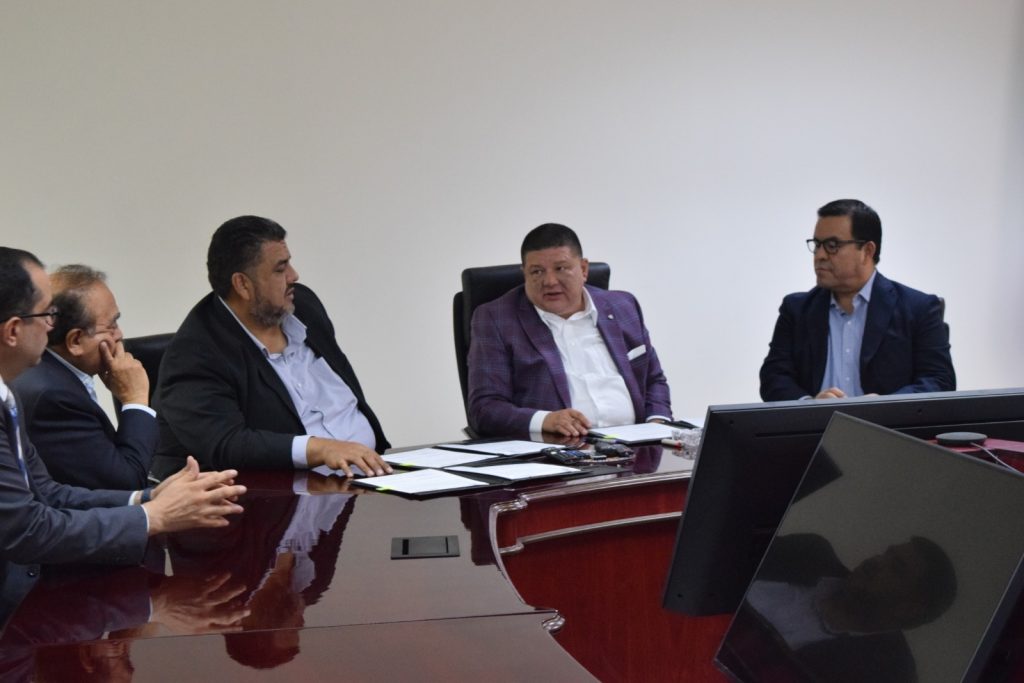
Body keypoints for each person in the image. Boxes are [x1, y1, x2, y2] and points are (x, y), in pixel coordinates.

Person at [0, 247, 246, 615]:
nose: (53, 325)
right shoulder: (36, 390)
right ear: (13, 331)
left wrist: (147, 498)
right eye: (46, 313)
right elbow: (29, 530)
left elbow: (47, 492)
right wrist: (154, 516)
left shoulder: (8, 394)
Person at [153, 216, 391, 480]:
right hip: (289, 492)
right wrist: (320, 448)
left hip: (374, 474)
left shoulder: (304, 306)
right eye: (280, 269)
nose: (294, 276)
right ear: (242, 284)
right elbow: (227, 443)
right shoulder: (195, 354)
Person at [468, 223, 672, 437]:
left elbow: (653, 380)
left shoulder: (623, 305)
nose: (549, 281)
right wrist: (545, 420)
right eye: (537, 271)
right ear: (525, 274)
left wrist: (656, 424)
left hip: (638, 444)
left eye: (561, 268)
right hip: (562, 448)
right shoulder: (496, 319)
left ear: (583, 269)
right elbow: (484, 408)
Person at [759, 199, 956, 402]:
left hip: (888, 422)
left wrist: (886, 405)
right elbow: (773, 378)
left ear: (867, 251)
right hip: (816, 423)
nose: (819, 255)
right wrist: (810, 405)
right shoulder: (797, 310)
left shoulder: (918, 308)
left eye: (832, 246)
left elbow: (940, 380)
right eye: (817, 245)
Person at [12, 265, 156, 489]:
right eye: (111, 326)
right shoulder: (54, 397)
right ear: (76, 341)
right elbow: (127, 482)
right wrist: (135, 399)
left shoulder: (48, 372)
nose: (119, 335)